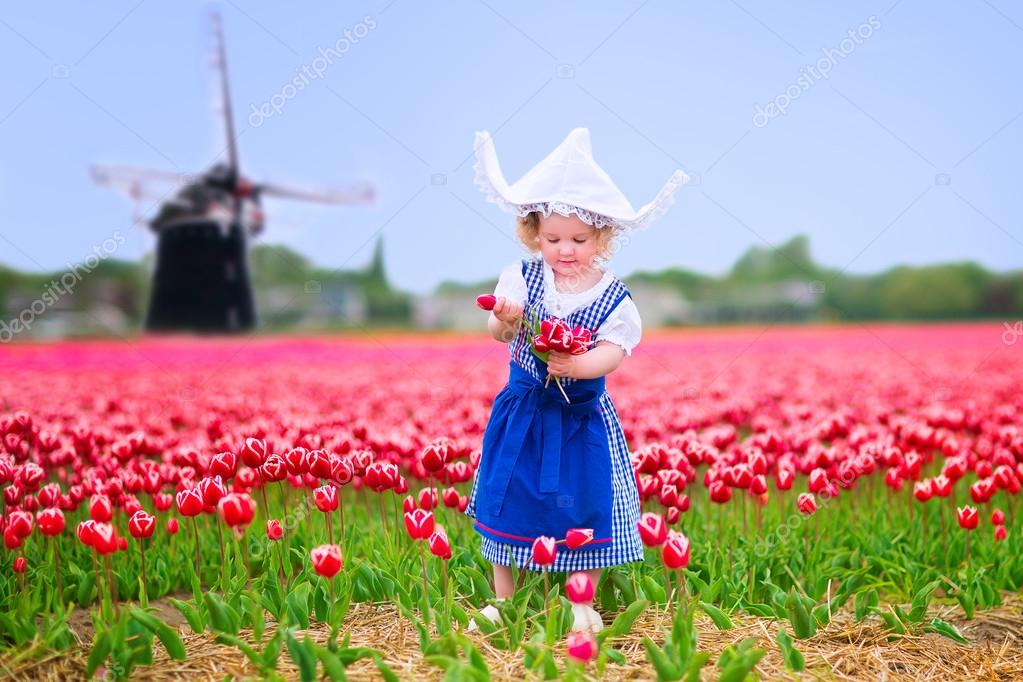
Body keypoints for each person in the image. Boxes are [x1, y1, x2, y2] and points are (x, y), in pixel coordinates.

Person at [464, 127, 688, 632]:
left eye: (579, 240)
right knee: (509, 496)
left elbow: (615, 351)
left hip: (579, 418)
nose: (565, 250)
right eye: (553, 238)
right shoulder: (520, 277)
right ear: (534, 234)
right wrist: (505, 318)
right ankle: (505, 599)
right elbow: (498, 334)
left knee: (581, 503)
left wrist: (580, 365)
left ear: (603, 238)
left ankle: (581, 602)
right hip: (523, 409)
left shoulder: (612, 295)